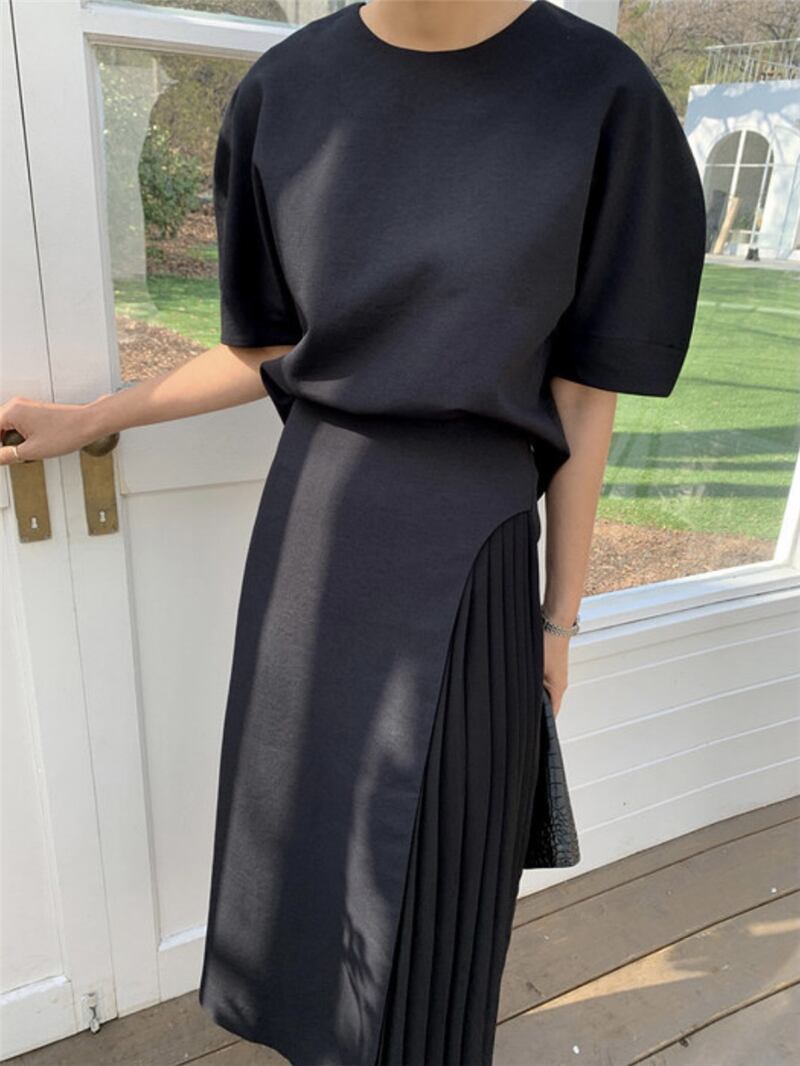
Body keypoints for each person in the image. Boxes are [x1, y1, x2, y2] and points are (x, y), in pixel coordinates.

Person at [0, 2, 706, 1063]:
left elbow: (582, 390)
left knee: (436, 886)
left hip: (472, 546)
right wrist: (95, 417)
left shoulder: (599, 95)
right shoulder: (285, 91)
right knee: (305, 871)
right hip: (311, 537)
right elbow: (268, 348)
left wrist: (558, 617)